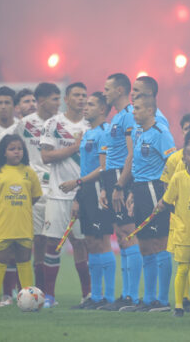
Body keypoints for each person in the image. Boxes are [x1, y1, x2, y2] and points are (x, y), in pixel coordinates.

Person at [61, 91, 115, 310]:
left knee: (101, 242)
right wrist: (78, 195)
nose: (85, 107)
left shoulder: (105, 132)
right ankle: (95, 296)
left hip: (99, 190)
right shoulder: (88, 133)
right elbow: (86, 166)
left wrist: (77, 182)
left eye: (91, 104)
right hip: (86, 190)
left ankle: (108, 298)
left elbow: (104, 167)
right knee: (91, 243)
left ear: (102, 109)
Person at [122, 94, 176, 312]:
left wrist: (167, 196)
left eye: (137, 108)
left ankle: (162, 300)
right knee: (144, 245)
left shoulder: (161, 133)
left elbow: (173, 164)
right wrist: (133, 192)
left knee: (159, 243)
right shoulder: (138, 132)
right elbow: (137, 164)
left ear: (150, 111)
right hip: (140, 189)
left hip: (156, 189)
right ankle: (148, 298)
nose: (133, 112)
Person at [40, 82, 90, 309]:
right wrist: (74, 148)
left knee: (82, 244)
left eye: (84, 96)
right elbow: (46, 157)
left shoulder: (92, 124)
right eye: (77, 95)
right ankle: (49, 296)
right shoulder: (53, 123)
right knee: (53, 244)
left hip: (84, 194)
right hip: (58, 194)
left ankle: (87, 296)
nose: (81, 99)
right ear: (66, 99)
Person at [0, 134, 42, 309]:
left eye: (19, 149)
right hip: (3, 224)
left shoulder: (29, 172)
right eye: (12, 149)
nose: (17, 152)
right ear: (4, 152)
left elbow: (35, 196)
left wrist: (20, 207)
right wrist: (1, 206)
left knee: (24, 260)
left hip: (23, 225)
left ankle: (29, 299)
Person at [9, 82, 60, 290]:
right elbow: (14, 151)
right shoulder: (24, 124)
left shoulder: (61, 123)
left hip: (58, 186)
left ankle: (50, 293)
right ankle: (35, 289)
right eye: (55, 99)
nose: (59, 103)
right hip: (34, 186)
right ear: (41, 101)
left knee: (57, 239)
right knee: (35, 239)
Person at [98, 73, 142, 311]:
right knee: (121, 234)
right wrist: (107, 186)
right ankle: (125, 295)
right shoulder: (116, 117)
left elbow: (130, 154)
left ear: (120, 90)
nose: (104, 92)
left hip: (121, 178)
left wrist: (121, 185)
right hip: (111, 177)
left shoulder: (128, 116)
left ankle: (132, 296)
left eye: (108, 88)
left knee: (128, 232)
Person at [158, 140, 190, 317]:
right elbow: (167, 201)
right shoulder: (177, 178)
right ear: (183, 158)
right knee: (183, 268)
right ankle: (178, 305)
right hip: (184, 230)